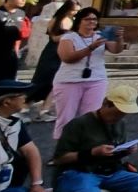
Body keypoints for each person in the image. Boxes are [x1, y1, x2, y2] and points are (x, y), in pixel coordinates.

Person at [52, 8, 127, 137]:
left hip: (96, 80)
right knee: (66, 117)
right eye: (87, 19)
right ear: (79, 21)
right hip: (69, 80)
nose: (91, 22)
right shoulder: (69, 37)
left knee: (91, 117)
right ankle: (62, 150)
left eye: (94, 19)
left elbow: (116, 50)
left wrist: (119, 38)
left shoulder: (100, 36)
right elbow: (67, 57)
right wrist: (91, 47)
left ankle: (86, 147)